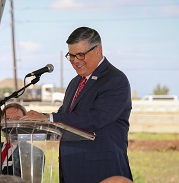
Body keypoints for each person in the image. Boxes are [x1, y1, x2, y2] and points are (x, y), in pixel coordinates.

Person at [21, 26, 133, 182]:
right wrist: (34, 122)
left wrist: (48, 118)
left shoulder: (115, 80)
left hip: (103, 171)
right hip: (72, 171)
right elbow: (65, 116)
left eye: (80, 55)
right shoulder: (75, 83)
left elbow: (95, 118)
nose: (75, 61)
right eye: (71, 55)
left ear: (98, 50)